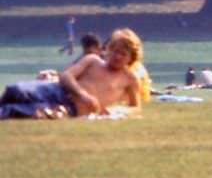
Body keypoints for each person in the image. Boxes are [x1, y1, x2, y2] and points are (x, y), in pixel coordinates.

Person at [1, 29, 142, 119]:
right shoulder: (93, 61)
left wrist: (115, 111)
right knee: (15, 90)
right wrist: (83, 94)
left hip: (71, 108)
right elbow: (66, 76)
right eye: (115, 51)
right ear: (108, 50)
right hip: (57, 91)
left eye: (123, 54)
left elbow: (136, 108)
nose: (117, 56)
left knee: (15, 111)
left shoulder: (130, 79)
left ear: (131, 58)